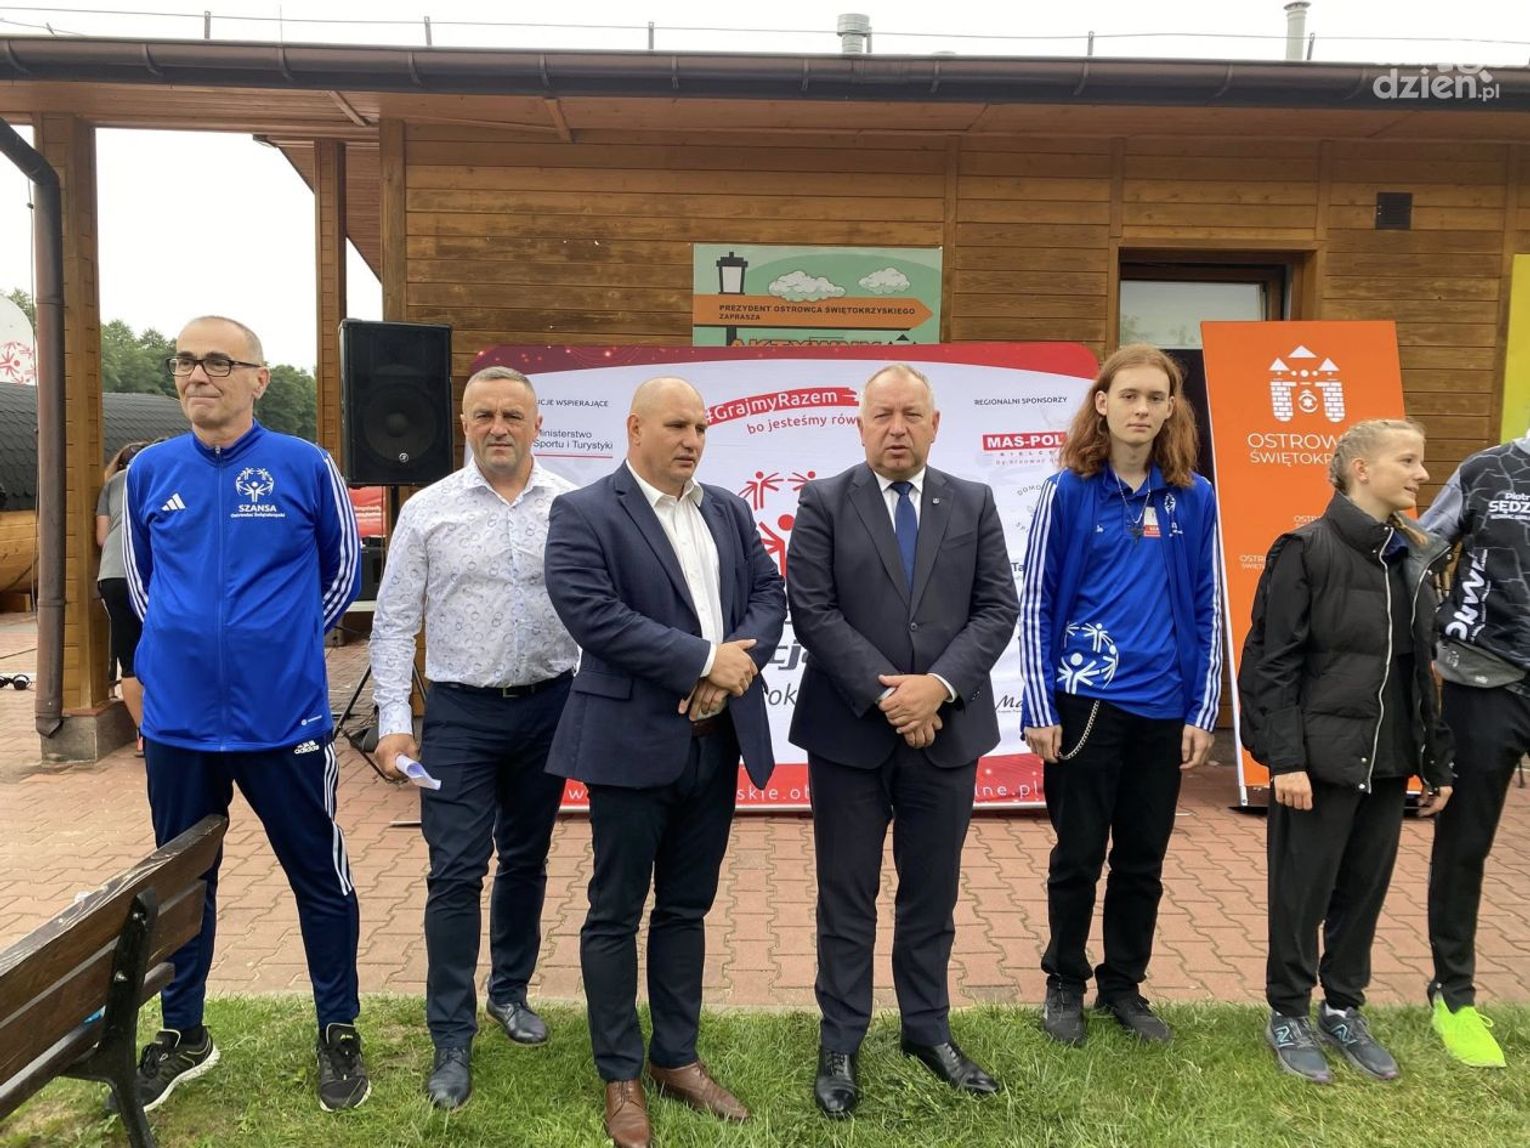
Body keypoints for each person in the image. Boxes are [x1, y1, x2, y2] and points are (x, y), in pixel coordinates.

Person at [122, 316, 367, 1113]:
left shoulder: (305, 465)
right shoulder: (150, 471)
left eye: (219, 362)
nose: (198, 375)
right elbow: (143, 587)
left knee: (319, 878)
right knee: (182, 884)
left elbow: (343, 572)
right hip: (179, 728)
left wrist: (281, 645)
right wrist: (181, 654)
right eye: (185, 361)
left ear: (259, 377)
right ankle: (184, 1034)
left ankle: (338, 1028)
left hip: (283, 721)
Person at [543, 377, 785, 1148]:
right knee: (615, 911)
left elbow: (769, 595)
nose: (692, 440)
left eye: (702, 427)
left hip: (717, 741)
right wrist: (704, 662)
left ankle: (676, 1057)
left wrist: (733, 668)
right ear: (635, 428)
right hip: (630, 744)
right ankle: (620, 1074)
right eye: (677, 425)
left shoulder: (728, 509)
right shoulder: (584, 512)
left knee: (686, 907)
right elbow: (594, 616)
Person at [786, 363, 1019, 1118]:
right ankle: (840, 1041)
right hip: (850, 736)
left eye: (911, 414)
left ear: (934, 424)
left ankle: (927, 1029)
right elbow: (812, 611)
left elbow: (996, 607)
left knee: (932, 894)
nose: (897, 428)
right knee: (846, 895)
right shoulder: (824, 501)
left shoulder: (973, 501)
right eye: (882, 414)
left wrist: (937, 688)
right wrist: (894, 697)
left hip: (947, 734)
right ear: (859, 425)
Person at [369, 366, 577, 1109]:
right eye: (484, 414)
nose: (499, 427)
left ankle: (510, 992)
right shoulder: (427, 511)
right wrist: (394, 723)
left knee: (526, 859)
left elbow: (596, 612)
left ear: (537, 424)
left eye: (513, 415)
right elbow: (394, 622)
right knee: (455, 872)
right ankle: (450, 1037)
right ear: (463, 423)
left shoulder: (571, 508)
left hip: (551, 708)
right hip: (460, 715)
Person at [1018, 343, 1221, 1047]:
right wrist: (1039, 706)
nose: (1141, 409)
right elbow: (1036, 602)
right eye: (1128, 395)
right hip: (1086, 705)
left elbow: (1209, 605)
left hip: (1163, 709)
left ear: (1171, 410)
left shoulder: (1195, 498)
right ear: (1102, 404)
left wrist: (1202, 710)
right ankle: (1064, 981)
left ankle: (1124, 986)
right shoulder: (1068, 493)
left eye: (1155, 397)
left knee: (1142, 860)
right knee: (1077, 854)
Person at [1240, 418, 1454, 1083]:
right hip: (1318, 762)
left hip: (1388, 760)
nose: (1422, 474)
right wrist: (1286, 760)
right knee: (1301, 894)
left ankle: (1342, 1009)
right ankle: (1287, 1013)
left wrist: (1435, 760)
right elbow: (1271, 664)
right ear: (1362, 469)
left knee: (1362, 893)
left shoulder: (1414, 555)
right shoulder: (1305, 549)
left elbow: (1421, 673)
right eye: (1408, 461)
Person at [1417, 425, 1530, 1069]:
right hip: (1487, 681)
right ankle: (1454, 996)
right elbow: (1420, 550)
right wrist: (1435, 634)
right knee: (1465, 845)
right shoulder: (1488, 469)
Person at [97, 440, 150, 752]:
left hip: (113, 574)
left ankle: (144, 735)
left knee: (129, 657)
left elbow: (102, 537)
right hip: (149, 574)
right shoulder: (159, 474)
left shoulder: (111, 484)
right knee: (162, 651)